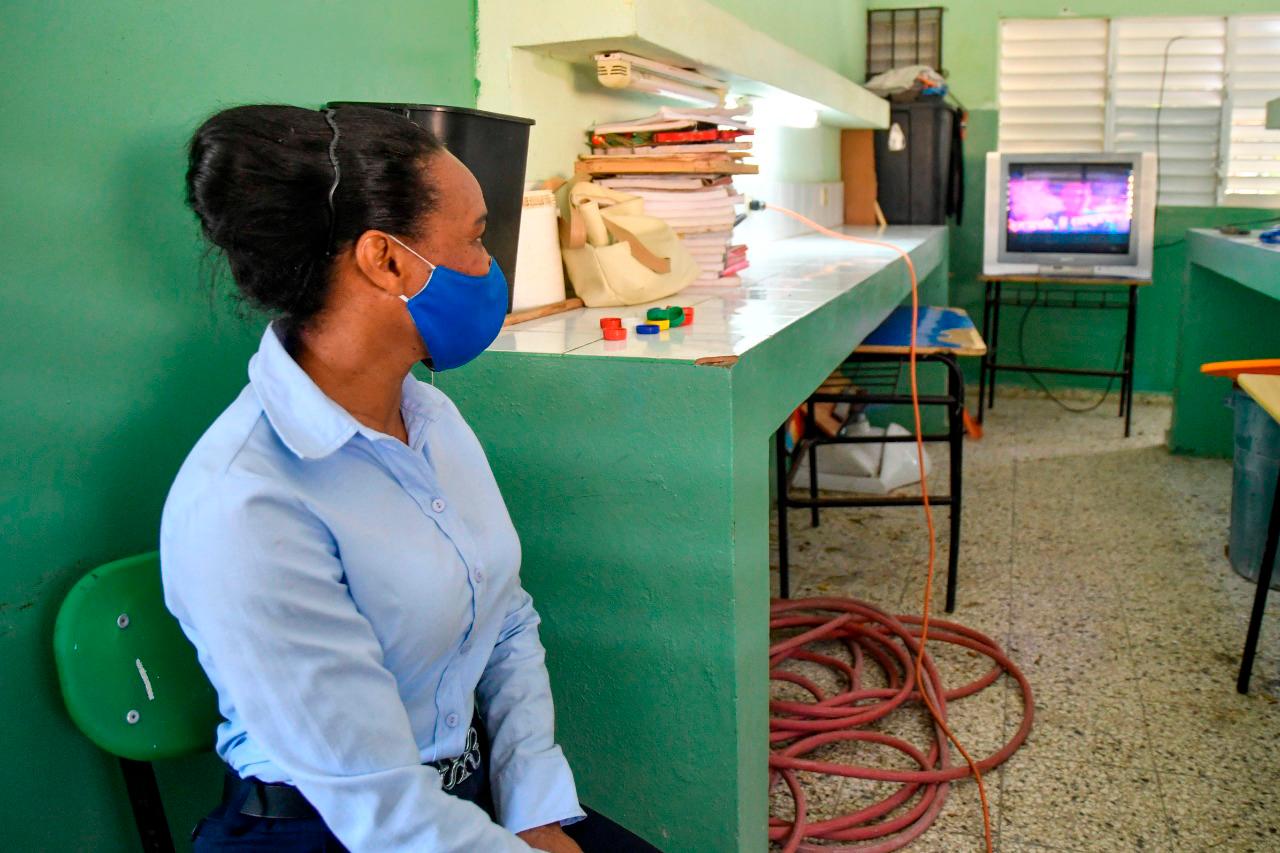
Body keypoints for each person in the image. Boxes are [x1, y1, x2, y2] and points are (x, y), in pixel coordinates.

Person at [162, 104, 654, 852]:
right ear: (386, 261)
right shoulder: (245, 504)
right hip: (329, 827)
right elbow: (387, 815)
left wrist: (533, 806)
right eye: (477, 238)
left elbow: (508, 616)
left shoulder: (430, 418)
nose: (492, 267)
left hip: (466, 797)